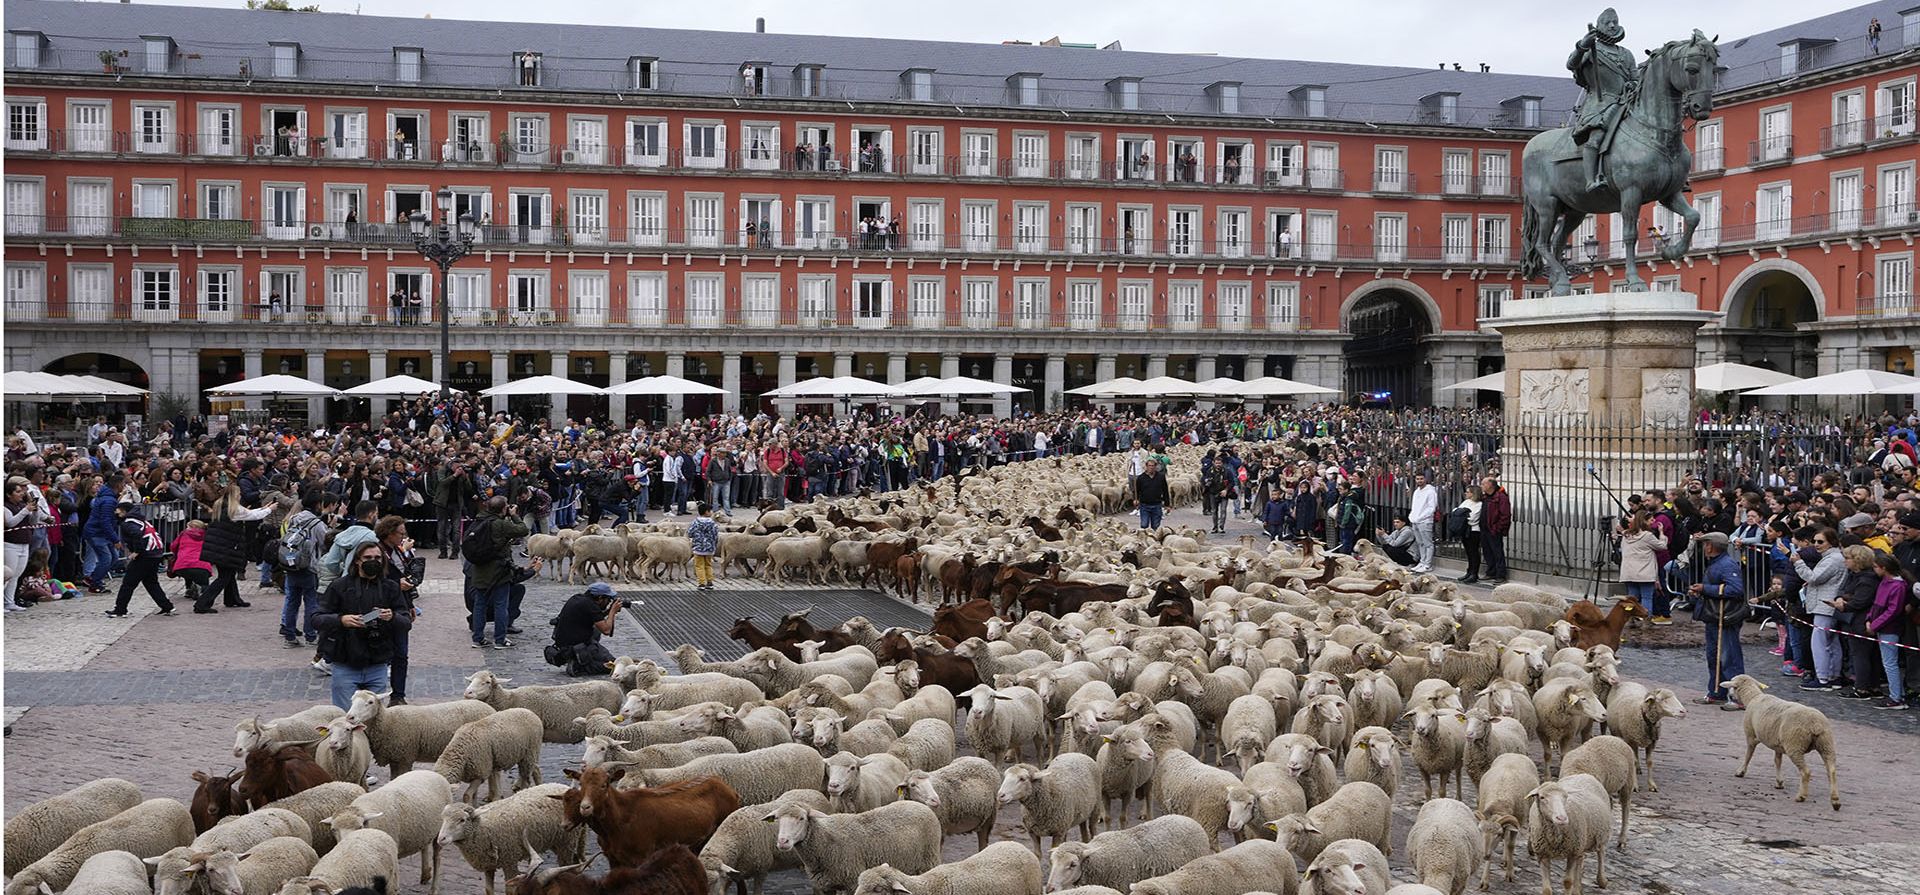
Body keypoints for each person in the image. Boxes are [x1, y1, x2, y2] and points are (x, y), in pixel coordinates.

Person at [313, 542, 410, 710]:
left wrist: (392, 616)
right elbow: (316, 619)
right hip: (345, 662)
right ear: (357, 560)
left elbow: (406, 622)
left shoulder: (390, 588)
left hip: (377, 662)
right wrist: (341, 620)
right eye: (368, 558)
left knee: (375, 720)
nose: (373, 561)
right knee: (345, 717)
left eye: (377, 558)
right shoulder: (340, 586)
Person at [1566, 7, 1636, 192]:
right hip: (1600, 102)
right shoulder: (1590, 49)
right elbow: (1571, 64)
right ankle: (1591, 181)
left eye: (1615, 21)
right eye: (1607, 22)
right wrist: (1582, 46)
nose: (1613, 25)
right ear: (1598, 27)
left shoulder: (1626, 54)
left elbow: (1635, 78)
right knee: (1596, 137)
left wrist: (1632, 85)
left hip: (1625, 101)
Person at [1687, 531, 1747, 708]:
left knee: (1729, 658)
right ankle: (1716, 692)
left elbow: (1736, 590)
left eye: (1706, 544)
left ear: (1711, 546)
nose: (1704, 547)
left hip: (1725, 617)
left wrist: (1705, 588)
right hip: (1714, 617)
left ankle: (1739, 697)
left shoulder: (1727, 564)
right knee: (1714, 656)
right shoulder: (1716, 563)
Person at [467, 495, 529, 649]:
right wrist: (514, 515)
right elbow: (523, 530)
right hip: (499, 569)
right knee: (501, 604)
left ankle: (478, 638)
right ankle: (500, 639)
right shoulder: (500, 524)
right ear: (503, 508)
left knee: (479, 604)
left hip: (479, 568)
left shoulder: (478, 521)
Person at [1791, 527, 1847, 690]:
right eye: (1815, 541)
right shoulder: (1832, 557)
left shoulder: (1833, 559)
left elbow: (1814, 578)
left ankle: (1823, 678)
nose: (1816, 544)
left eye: (1820, 541)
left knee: (1820, 642)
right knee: (1831, 642)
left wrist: (1798, 563)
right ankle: (1833, 676)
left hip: (1825, 604)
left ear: (1831, 542)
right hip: (1827, 603)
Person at [375, 515, 421, 705]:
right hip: (381, 607)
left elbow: (403, 576)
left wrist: (410, 604)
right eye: (400, 533)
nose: (403, 537)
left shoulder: (397, 551)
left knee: (401, 654)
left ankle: (398, 695)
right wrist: (396, 584)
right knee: (383, 652)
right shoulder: (376, 551)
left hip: (400, 606)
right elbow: (374, 579)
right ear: (389, 533)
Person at [106, 501, 175, 618]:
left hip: (145, 555)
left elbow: (136, 534)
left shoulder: (128, 523)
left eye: (117, 510)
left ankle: (120, 609)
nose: (115, 512)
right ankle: (167, 606)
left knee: (128, 583)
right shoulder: (140, 520)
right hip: (155, 553)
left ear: (123, 511)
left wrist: (137, 551)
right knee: (151, 582)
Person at [1865, 552, 1911, 709]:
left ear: (1884, 568)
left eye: (1876, 567)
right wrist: (1869, 619)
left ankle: (1896, 697)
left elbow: (1893, 610)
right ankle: (1897, 693)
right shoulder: (1885, 582)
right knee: (1889, 662)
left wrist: (1874, 624)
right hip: (1881, 626)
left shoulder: (1898, 586)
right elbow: (1876, 604)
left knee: (1890, 663)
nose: (1874, 570)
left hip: (1889, 628)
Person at [549, 581, 623, 677]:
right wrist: (613, 611)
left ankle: (581, 658)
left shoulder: (578, 598)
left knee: (597, 631)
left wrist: (608, 612)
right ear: (600, 598)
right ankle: (578, 667)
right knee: (612, 665)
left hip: (564, 644)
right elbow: (606, 630)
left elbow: (595, 617)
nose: (609, 602)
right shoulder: (591, 606)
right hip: (575, 647)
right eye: (608, 599)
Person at [1616, 511, 1662, 613]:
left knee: (1632, 598)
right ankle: (1646, 618)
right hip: (1644, 572)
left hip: (1629, 572)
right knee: (1646, 597)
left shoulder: (1626, 535)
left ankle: (1631, 617)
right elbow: (1662, 546)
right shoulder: (1647, 536)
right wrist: (1662, 534)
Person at [1480, 475, 1512, 582]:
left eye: (1484, 484)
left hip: (1493, 529)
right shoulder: (1486, 497)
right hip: (1485, 528)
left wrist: (1498, 528)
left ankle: (1500, 575)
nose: (1482, 486)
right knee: (1487, 552)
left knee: (1497, 552)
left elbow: (1505, 515)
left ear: (1490, 485)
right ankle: (1491, 571)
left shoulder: (1501, 497)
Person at [1409, 471, 1438, 572]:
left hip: (1425, 521)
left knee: (1428, 543)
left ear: (1425, 479)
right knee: (1420, 543)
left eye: (1421, 479)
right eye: (1417, 479)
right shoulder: (1416, 491)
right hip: (1415, 520)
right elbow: (1414, 506)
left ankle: (1428, 564)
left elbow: (1431, 508)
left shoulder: (1431, 492)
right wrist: (1412, 516)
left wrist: (1421, 517)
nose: (1419, 481)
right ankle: (1422, 562)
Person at [1456, 485, 1485, 584]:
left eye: (1468, 492)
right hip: (1465, 529)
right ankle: (1469, 571)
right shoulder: (1466, 502)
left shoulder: (1479, 504)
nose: (1466, 493)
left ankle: (1474, 573)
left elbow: (1473, 518)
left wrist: (1462, 515)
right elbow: (1456, 512)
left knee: (1474, 552)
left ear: (1473, 493)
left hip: (1474, 530)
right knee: (1468, 552)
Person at [689, 502, 718, 591]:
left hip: (698, 547)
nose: (712, 512)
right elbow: (715, 535)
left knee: (699, 565)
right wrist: (714, 544)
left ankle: (701, 583)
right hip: (709, 548)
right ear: (707, 512)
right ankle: (710, 582)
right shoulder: (712, 523)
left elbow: (690, 533)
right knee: (708, 564)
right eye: (710, 510)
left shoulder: (695, 522)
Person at [1135, 458, 1169, 530]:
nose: (1151, 467)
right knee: (1144, 524)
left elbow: (1165, 490)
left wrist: (1167, 504)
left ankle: (1154, 539)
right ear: (1146, 466)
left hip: (1156, 504)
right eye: (1149, 465)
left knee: (1155, 525)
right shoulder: (1141, 478)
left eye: (1153, 466)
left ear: (1156, 466)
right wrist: (1136, 499)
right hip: (1144, 505)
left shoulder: (1161, 477)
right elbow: (1137, 490)